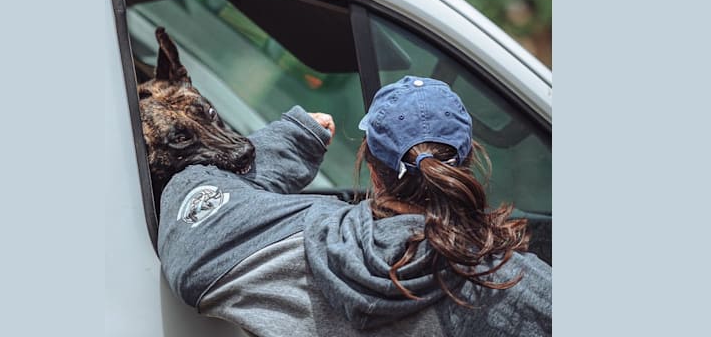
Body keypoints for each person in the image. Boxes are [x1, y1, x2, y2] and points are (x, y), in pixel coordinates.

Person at [158, 76, 551, 336]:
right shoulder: (508, 281)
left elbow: (193, 218)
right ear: (467, 163)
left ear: (372, 169)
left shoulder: (310, 242)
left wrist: (294, 141)